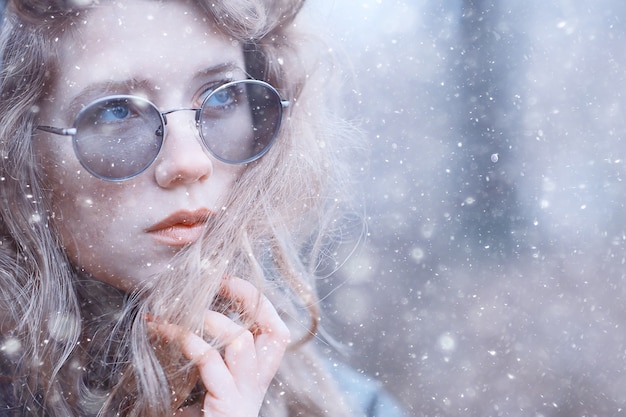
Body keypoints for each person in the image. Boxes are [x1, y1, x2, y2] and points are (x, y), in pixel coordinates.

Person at [0, 0, 406, 416]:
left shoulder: (351, 406)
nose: (190, 163)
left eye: (222, 97)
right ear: (18, 149)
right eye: (117, 110)